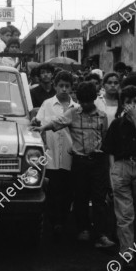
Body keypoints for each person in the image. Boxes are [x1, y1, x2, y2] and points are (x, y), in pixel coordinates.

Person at [33, 81, 115, 248]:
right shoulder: (73, 112)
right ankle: (83, 229)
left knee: (99, 199)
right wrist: (42, 128)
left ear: (93, 100)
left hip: (98, 162)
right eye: (82, 101)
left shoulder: (102, 116)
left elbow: (106, 139)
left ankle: (101, 235)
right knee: (81, 198)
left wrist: (108, 165)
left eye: (88, 102)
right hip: (80, 162)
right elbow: (57, 122)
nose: (84, 105)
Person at [102, 85, 136, 268]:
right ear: (122, 104)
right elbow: (108, 150)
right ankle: (127, 253)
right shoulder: (117, 124)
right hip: (121, 167)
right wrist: (112, 172)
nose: (132, 106)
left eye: (135, 102)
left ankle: (133, 247)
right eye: (128, 102)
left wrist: (135, 119)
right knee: (125, 214)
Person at [33, 71, 78, 237]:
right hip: (51, 153)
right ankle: (53, 222)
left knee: (67, 190)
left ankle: (63, 220)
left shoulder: (77, 108)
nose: (64, 89)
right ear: (55, 86)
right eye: (61, 86)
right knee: (52, 189)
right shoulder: (47, 104)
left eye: (67, 86)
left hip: (70, 154)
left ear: (72, 88)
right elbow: (38, 123)